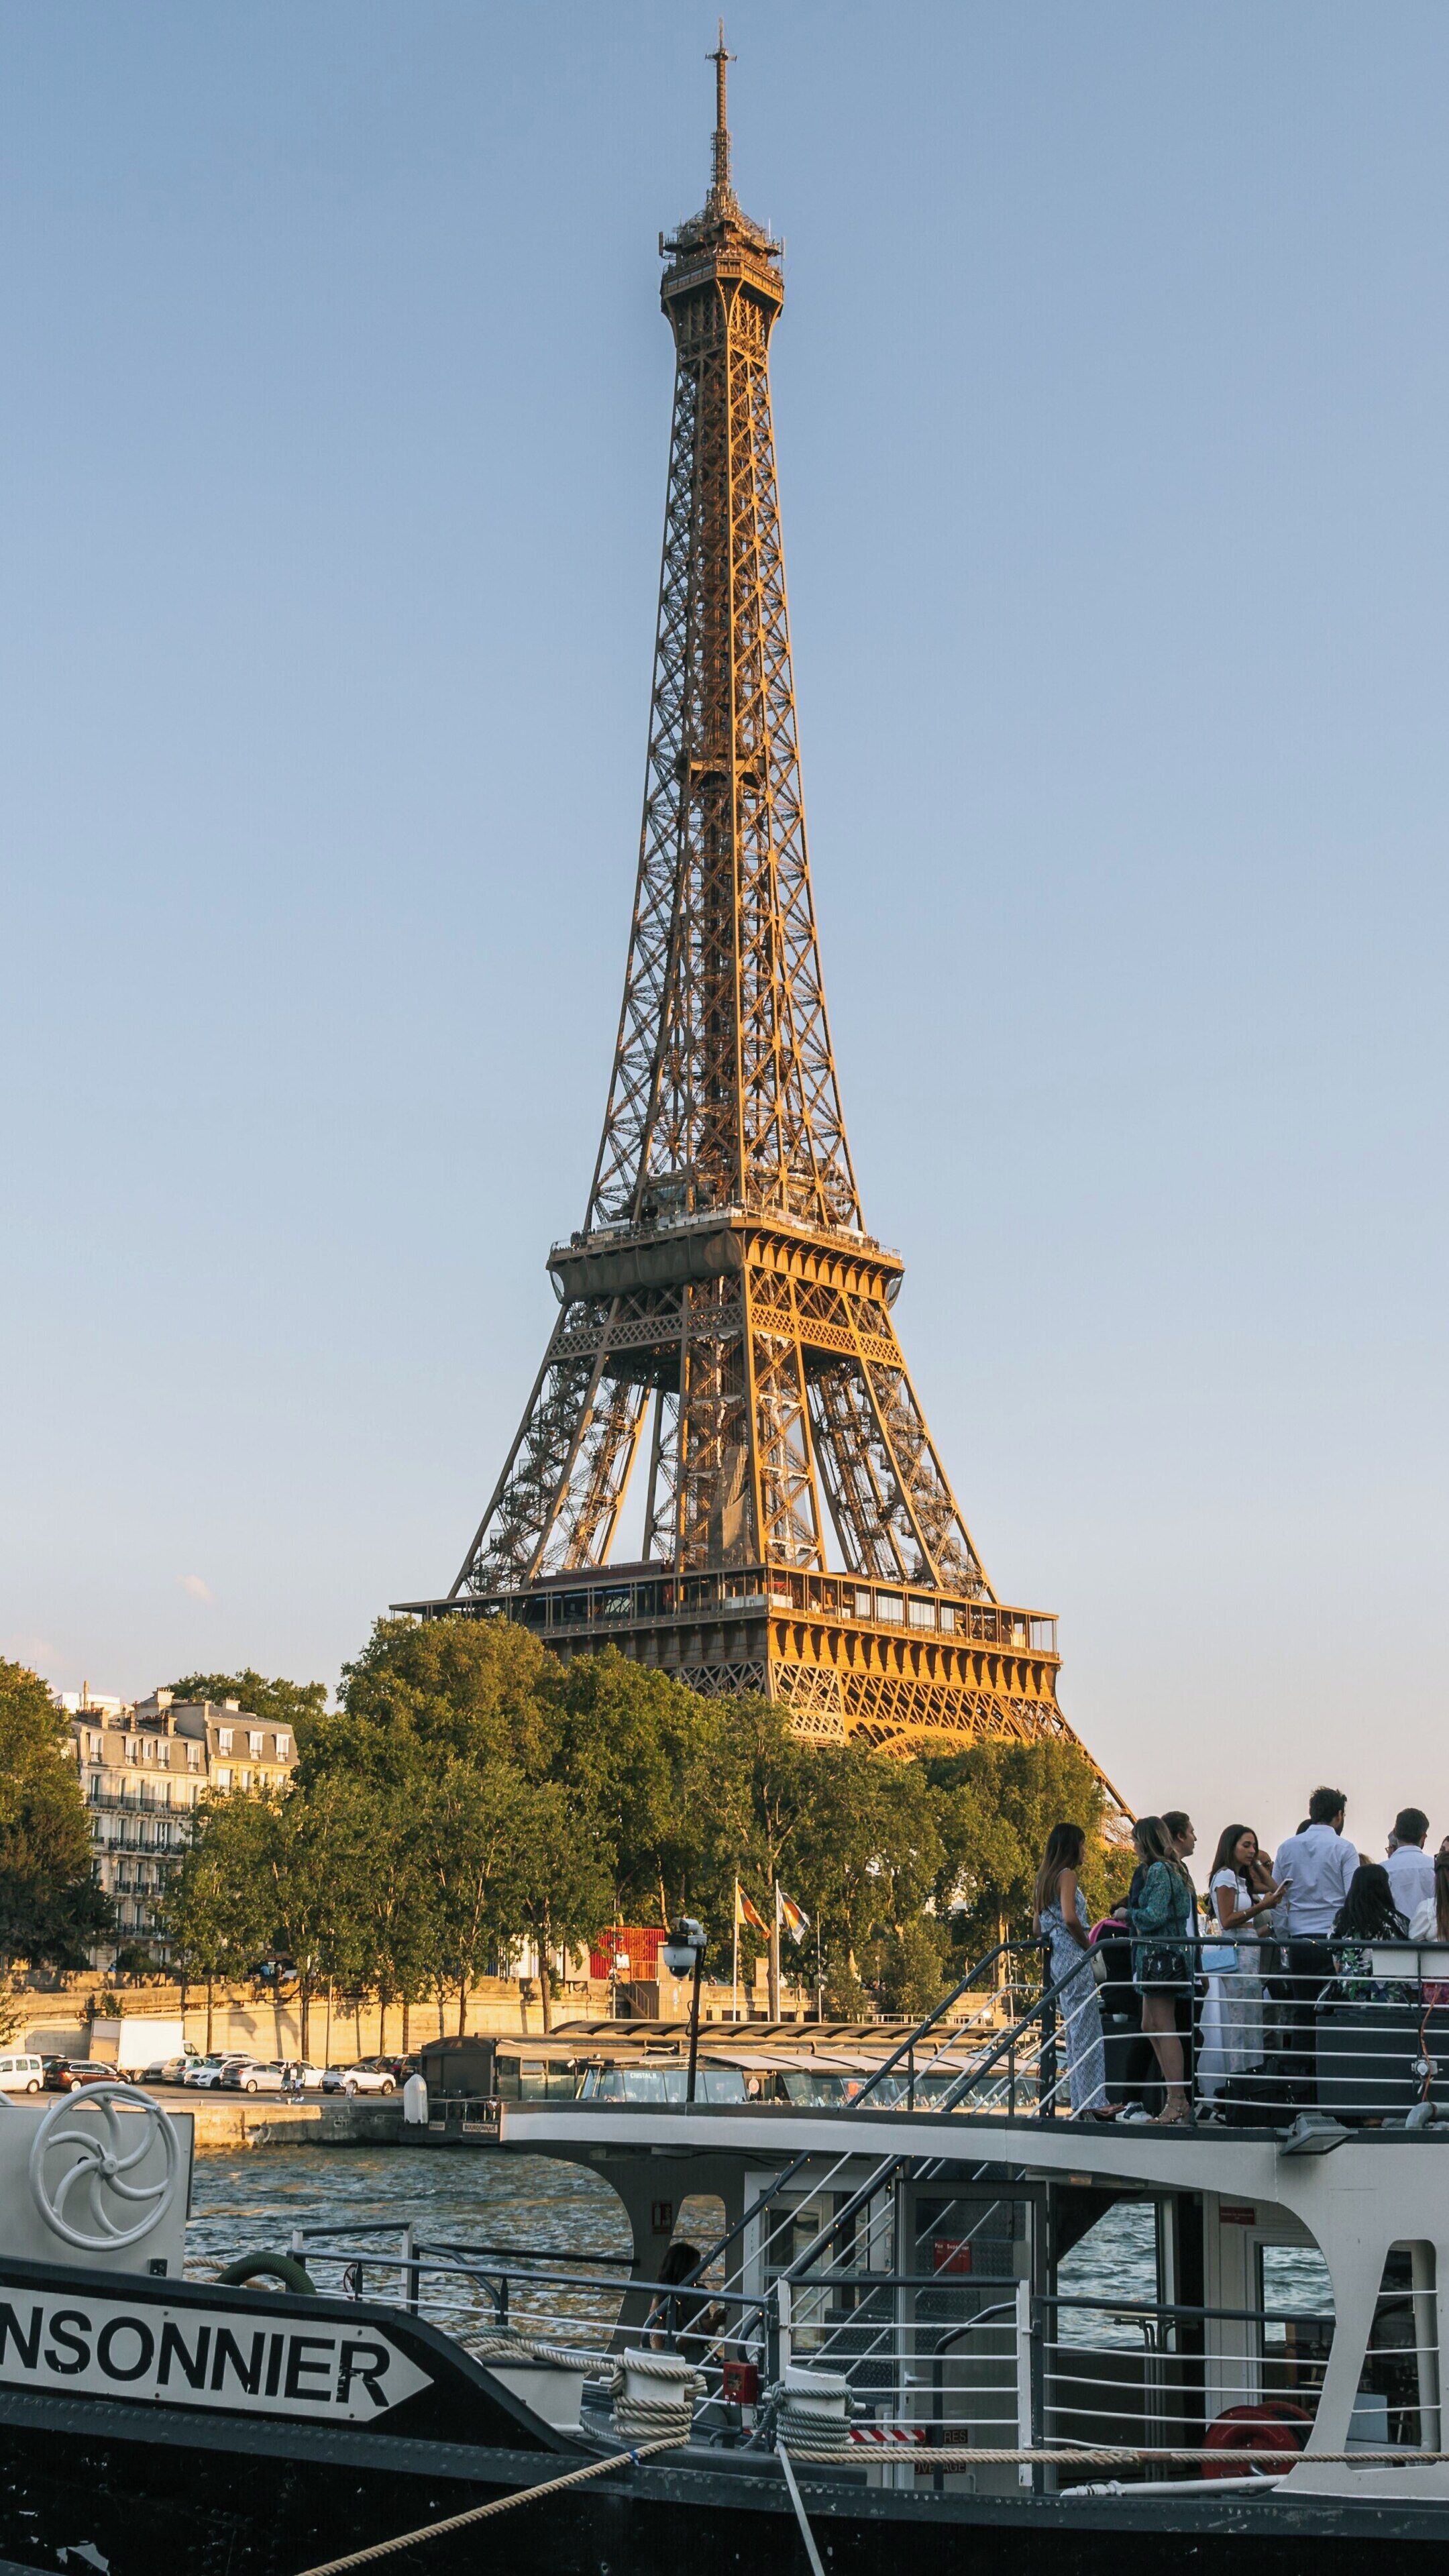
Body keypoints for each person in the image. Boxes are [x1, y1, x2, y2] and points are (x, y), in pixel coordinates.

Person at [1197, 1826, 1285, 2102]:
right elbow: (1227, 1919)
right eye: (1246, 1845)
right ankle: (1240, 2083)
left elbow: (1274, 1888)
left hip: (1249, 1950)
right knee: (1241, 2019)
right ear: (1231, 1845)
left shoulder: (1240, 1878)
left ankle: (1251, 2079)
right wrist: (1262, 1907)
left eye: (1254, 1846)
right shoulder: (1225, 1876)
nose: (1250, 1851)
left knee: (1252, 2018)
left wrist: (1258, 1863)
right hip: (1238, 1948)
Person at [1032, 1823, 1112, 2118]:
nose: (1085, 1851)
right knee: (1088, 2031)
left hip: (1058, 1961)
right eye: (1083, 1844)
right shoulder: (1067, 1876)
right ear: (1072, 1846)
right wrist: (1088, 1944)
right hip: (1075, 1957)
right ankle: (1092, 2100)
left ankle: (1084, 2099)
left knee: (1076, 2030)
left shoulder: (1043, 1879)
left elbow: (1037, 1927)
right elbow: (1070, 1917)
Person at [1128, 1816, 1195, 2123]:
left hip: (1159, 1958)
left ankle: (1177, 2100)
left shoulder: (1158, 1870)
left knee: (1164, 2026)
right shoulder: (1177, 1869)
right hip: (1164, 1957)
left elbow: (1154, 1915)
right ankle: (1177, 2098)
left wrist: (1126, 1913)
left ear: (1144, 1842)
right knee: (1149, 2024)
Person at [1385, 1809, 1435, 1924]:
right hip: (1430, 1938)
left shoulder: (1382, 1870)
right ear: (1424, 1837)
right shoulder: (1436, 1867)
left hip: (1392, 1938)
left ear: (1395, 1833)